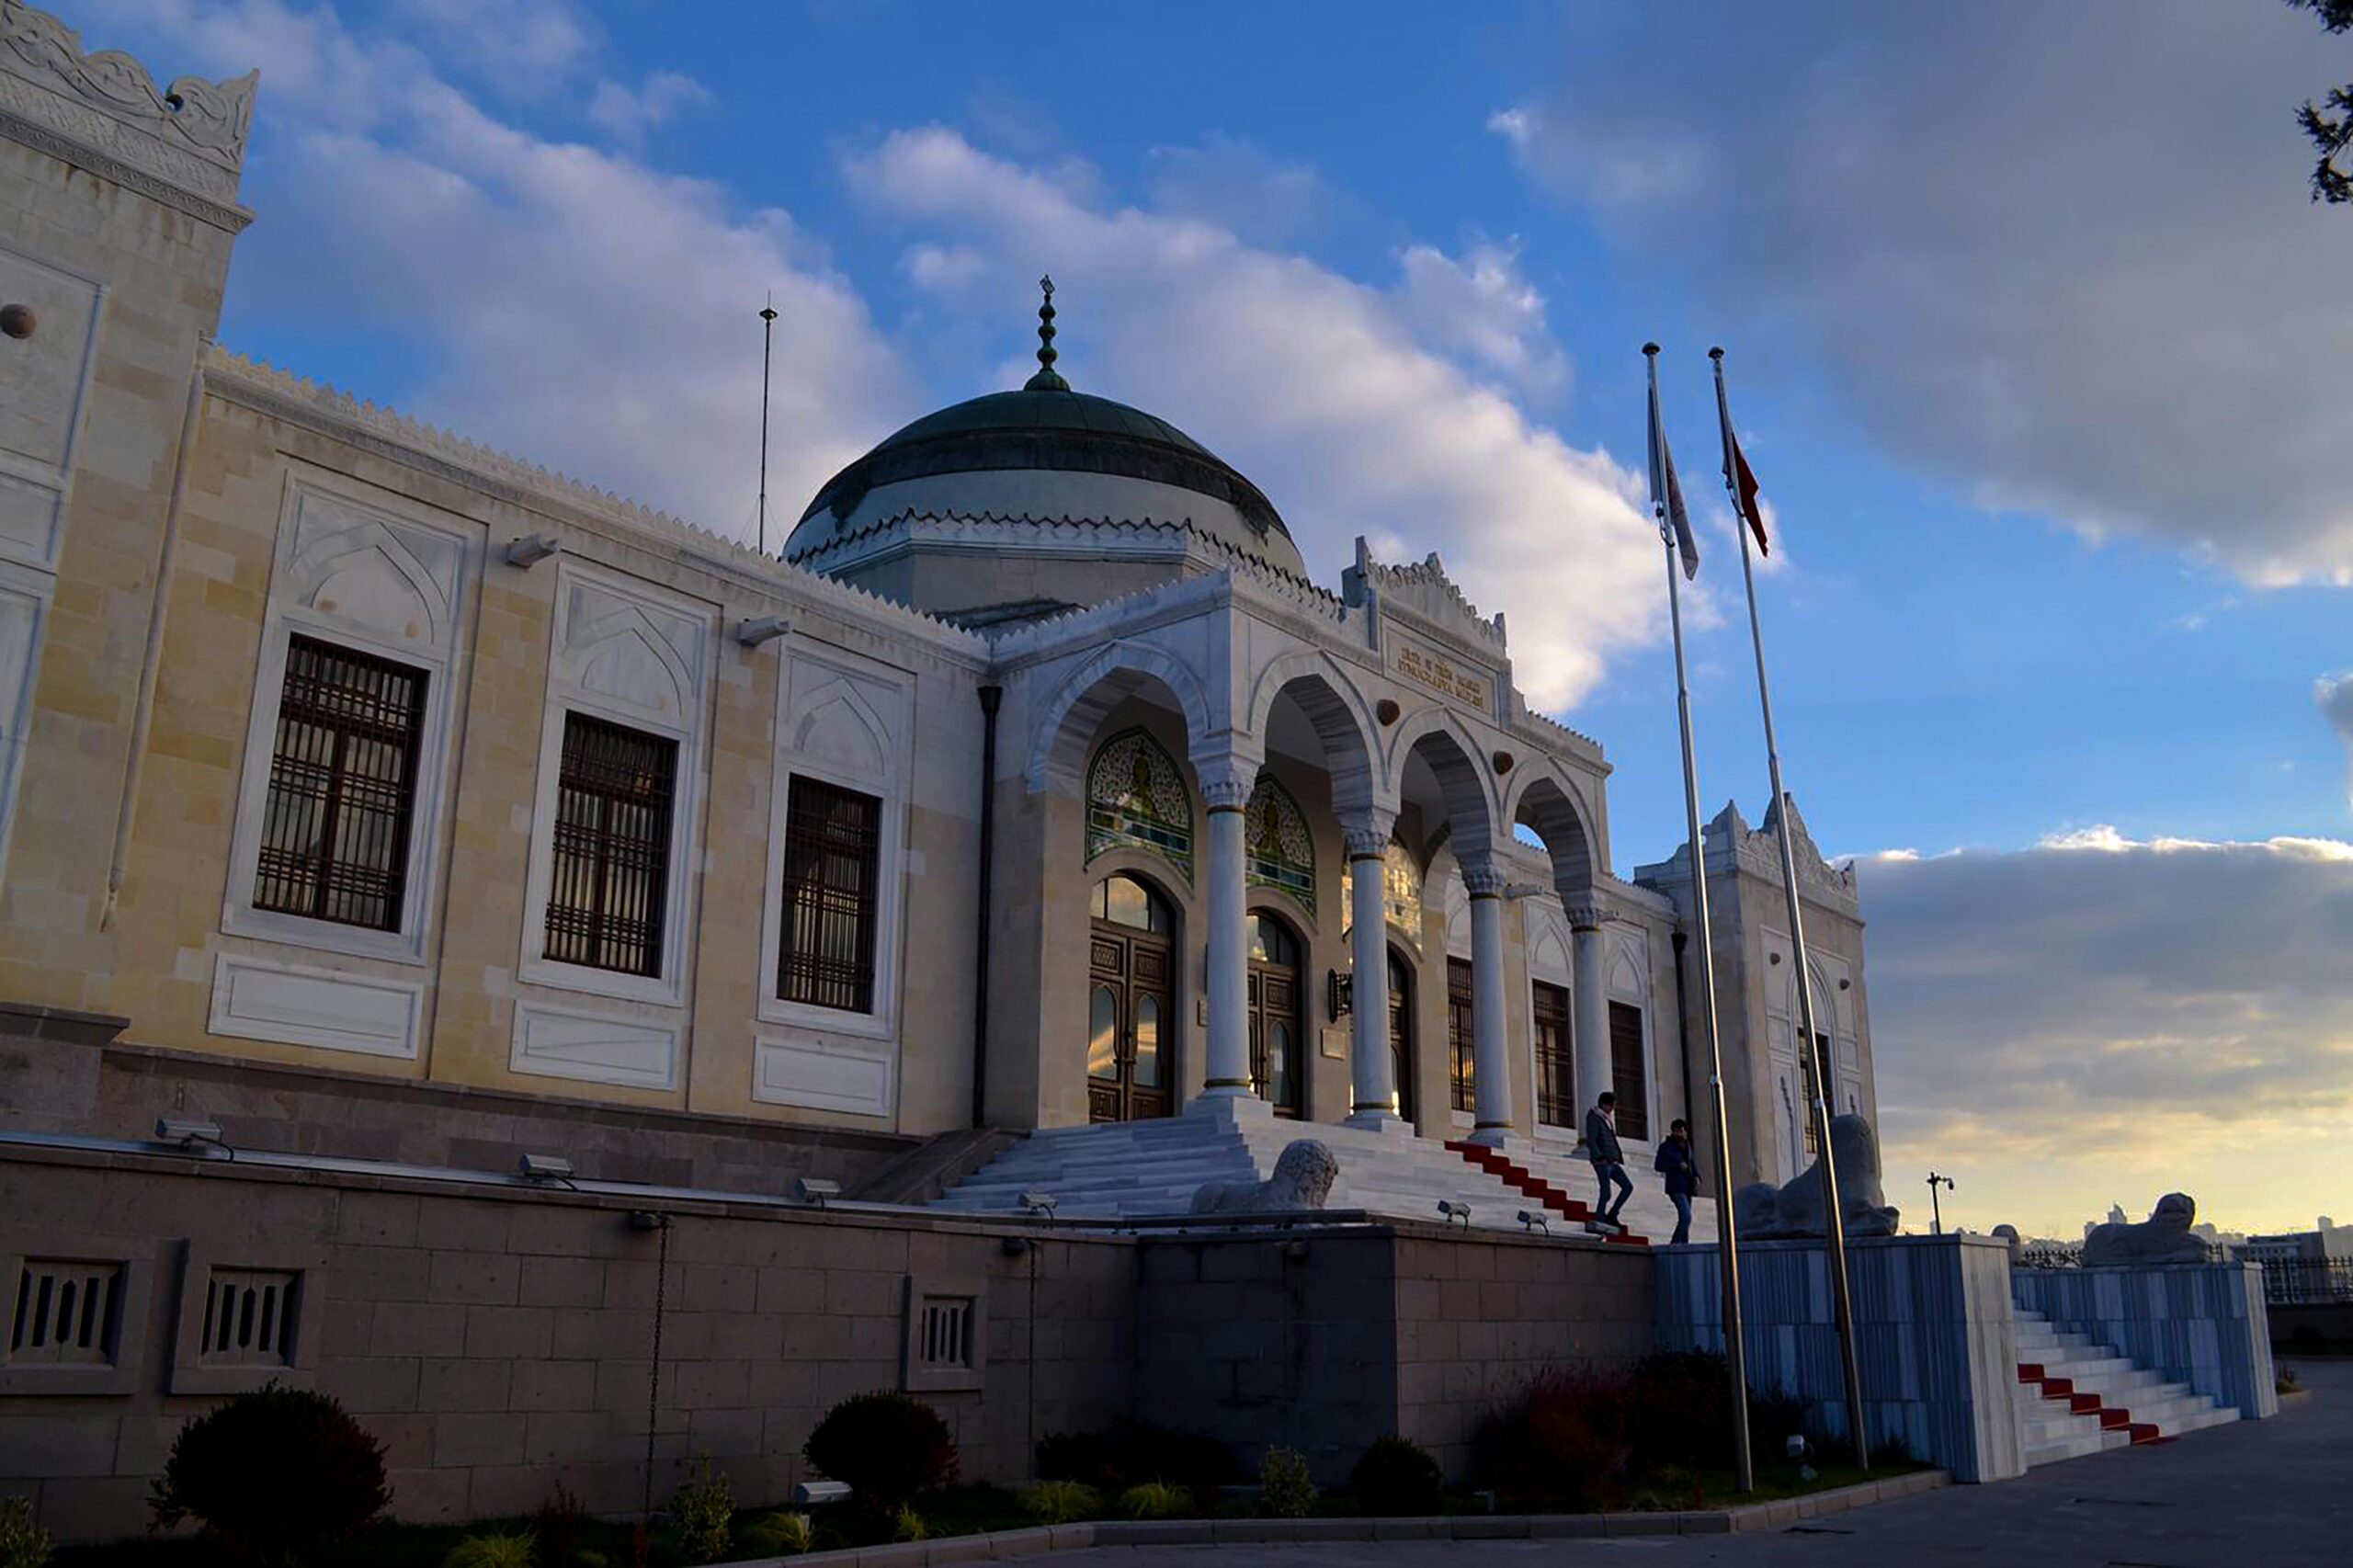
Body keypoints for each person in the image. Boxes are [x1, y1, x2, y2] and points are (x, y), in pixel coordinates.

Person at [1585, 1091, 1632, 1230]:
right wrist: (1600, 1157)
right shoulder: (1594, 1117)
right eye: (1611, 1106)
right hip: (1602, 1162)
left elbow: (1611, 1140)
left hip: (1612, 1161)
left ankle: (1613, 1213)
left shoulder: (1606, 1119)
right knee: (1606, 1191)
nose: (1612, 1109)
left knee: (1628, 1187)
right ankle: (1600, 1216)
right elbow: (1592, 1140)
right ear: (1604, 1104)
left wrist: (1617, 1157)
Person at [1654, 1118, 1699, 1244]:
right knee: (1686, 1216)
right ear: (1673, 1132)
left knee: (1685, 1218)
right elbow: (1658, 1165)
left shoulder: (1687, 1147)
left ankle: (1684, 1244)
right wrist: (1676, 1165)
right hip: (1675, 1186)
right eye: (1678, 1131)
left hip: (1688, 1186)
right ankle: (1674, 1244)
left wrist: (1696, 1175)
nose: (1681, 1134)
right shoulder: (1666, 1147)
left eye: (1683, 1131)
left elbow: (1692, 1163)